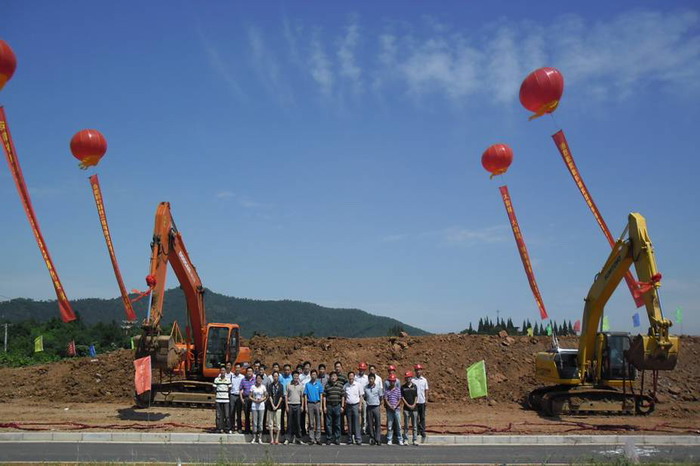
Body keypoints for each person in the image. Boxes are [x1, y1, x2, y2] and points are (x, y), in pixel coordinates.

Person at [303, 369, 324, 445]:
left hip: (317, 403)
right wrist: (305, 406)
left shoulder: (319, 384)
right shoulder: (307, 384)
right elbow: (305, 396)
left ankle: (318, 439)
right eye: (312, 374)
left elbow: (321, 395)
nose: (313, 376)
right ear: (310, 375)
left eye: (315, 374)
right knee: (311, 422)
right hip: (310, 404)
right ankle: (311, 439)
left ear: (316, 375)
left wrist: (321, 406)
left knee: (318, 422)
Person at [342, 371, 363, 445]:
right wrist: (343, 406)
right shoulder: (345, 386)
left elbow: (361, 396)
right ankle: (350, 439)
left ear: (354, 377)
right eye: (350, 376)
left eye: (352, 376)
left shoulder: (358, 385)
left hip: (356, 405)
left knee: (356, 423)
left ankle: (358, 439)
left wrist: (360, 406)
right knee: (349, 423)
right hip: (348, 406)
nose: (351, 377)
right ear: (348, 377)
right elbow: (344, 396)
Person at [322, 371, 343, 445]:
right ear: (330, 378)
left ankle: (337, 438)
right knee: (328, 423)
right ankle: (329, 438)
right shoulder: (327, 386)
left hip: (337, 406)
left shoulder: (340, 386)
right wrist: (324, 406)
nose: (333, 377)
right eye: (332, 376)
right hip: (329, 406)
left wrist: (342, 406)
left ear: (337, 377)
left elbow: (342, 396)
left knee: (337, 424)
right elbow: (324, 397)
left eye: (334, 376)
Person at [285, 371, 305, 445]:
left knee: (298, 423)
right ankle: (288, 438)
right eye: (294, 376)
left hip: (298, 405)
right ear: (292, 377)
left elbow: (302, 397)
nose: (295, 378)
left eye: (297, 376)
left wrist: (302, 406)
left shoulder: (301, 385)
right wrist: (286, 406)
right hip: (290, 405)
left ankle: (298, 438)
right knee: (289, 423)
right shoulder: (288, 385)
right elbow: (286, 396)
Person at [363, 373, 383, 445]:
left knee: (377, 423)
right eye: (369, 379)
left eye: (372, 379)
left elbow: (381, 397)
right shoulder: (365, 387)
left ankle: (378, 439)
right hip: (369, 407)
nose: (371, 380)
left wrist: (378, 403)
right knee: (370, 423)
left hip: (376, 406)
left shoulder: (378, 387)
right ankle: (372, 438)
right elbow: (365, 397)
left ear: (374, 379)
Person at [412, 364, 429, 443]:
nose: (418, 371)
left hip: (422, 401)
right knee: (415, 417)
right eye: (417, 370)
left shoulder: (424, 380)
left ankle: (422, 430)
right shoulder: (413, 380)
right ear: (415, 371)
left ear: (421, 371)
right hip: (415, 402)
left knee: (422, 417)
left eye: (419, 370)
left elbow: (426, 390)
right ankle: (417, 430)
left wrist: (426, 400)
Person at [384, 373, 403, 445]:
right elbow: (386, 399)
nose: (392, 382)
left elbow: (399, 399)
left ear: (395, 381)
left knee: (398, 425)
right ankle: (389, 439)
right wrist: (390, 406)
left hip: (396, 409)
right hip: (390, 410)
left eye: (393, 381)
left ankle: (400, 439)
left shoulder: (398, 390)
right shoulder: (387, 390)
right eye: (391, 381)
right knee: (389, 425)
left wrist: (395, 406)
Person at [401, 371, 419, 446]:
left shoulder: (414, 386)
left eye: (409, 377)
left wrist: (414, 404)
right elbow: (402, 397)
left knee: (414, 425)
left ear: (411, 378)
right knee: (406, 425)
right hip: (406, 409)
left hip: (414, 409)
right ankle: (405, 439)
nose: (408, 379)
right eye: (407, 377)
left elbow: (416, 396)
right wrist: (408, 405)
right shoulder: (403, 387)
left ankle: (415, 440)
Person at [249, 374, 268, 444]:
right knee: (254, 422)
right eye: (257, 378)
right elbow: (250, 396)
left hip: (261, 406)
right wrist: (254, 400)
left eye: (260, 378)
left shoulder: (263, 387)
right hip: (254, 406)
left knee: (260, 423)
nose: (259, 380)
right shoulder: (252, 387)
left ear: (261, 379)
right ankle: (254, 437)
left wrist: (262, 400)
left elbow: (266, 396)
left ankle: (260, 438)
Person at [267, 370, 284, 444]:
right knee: (270, 423)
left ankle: (277, 438)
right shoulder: (270, 386)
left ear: (278, 377)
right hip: (270, 407)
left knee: (278, 424)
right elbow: (270, 396)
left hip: (278, 407)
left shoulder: (281, 386)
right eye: (274, 376)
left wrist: (276, 406)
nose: (275, 377)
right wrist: (273, 405)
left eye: (276, 376)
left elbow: (281, 397)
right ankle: (271, 439)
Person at [213, 366, 231, 433]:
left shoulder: (228, 380)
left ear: (225, 372)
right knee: (218, 415)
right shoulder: (216, 379)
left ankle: (227, 428)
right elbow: (214, 389)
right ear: (220, 371)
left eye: (224, 370)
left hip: (226, 400)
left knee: (227, 415)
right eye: (221, 370)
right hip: (218, 400)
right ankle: (218, 428)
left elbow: (229, 388)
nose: (222, 372)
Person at [229, 362, 245, 433]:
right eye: (236, 368)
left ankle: (239, 427)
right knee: (232, 412)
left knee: (239, 412)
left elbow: (243, 387)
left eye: (238, 368)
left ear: (240, 369)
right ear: (234, 368)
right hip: (232, 395)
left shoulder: (242, 377)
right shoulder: (231, 376)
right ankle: (232, 427)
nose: (237, 369)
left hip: (239, 396)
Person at [239, 366, 256, 434]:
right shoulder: (243, 380)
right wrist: (241, 399)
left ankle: (254, 430)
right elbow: (240, 390)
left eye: (250, 371)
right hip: (246, 398)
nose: (249, 373)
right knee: (247, 415)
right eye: (248, 371)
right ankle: (247, 429)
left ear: (253, 372)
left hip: (253, 399)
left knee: (254, 415)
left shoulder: (255, 380)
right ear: (246, 372)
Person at [279, 364, 293, 437]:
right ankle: (282, 430)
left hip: (289, 399)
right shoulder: (281, 377)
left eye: (288, 370)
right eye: (285, 370)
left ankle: (289, 430)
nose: (286, 371)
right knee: (281, 415)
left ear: (290, 370)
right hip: (282, 398)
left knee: (289, 415)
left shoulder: (292, 378)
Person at [355, 362, 369, 434]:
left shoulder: (366, 378)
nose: (361, 371)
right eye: (360, 369)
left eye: (363, 369)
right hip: (356, 398)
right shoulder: (355, 377)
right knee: (357, 415)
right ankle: (356, 429)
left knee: (364, 415)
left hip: (364, 398)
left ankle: (363, 429)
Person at [299, 361, 312, 436]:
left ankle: (310, 430)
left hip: (310, 397)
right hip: (302, 397)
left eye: (308, 366)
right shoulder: (300, 376)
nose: (307, 368)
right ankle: (303, 430)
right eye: (305, 366)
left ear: (310, 367)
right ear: (303, 367)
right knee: (302, 414)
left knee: (310, 414)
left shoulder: (312, 375)